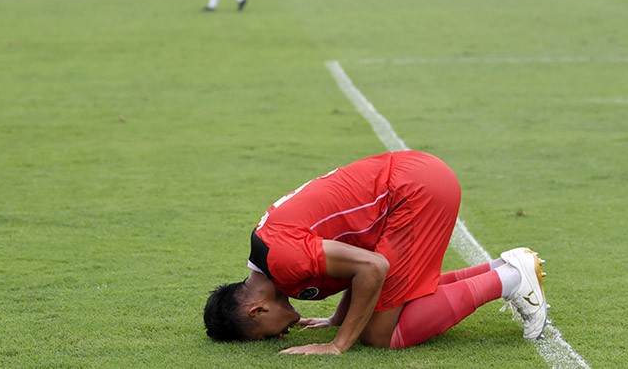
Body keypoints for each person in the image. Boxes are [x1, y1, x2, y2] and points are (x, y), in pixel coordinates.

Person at [204, 150, 549, 354]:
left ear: (256, 310)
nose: (279, 336)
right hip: (413, 183)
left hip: (413, 191)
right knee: (376, 316)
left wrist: (337, 343)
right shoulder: (273, 262)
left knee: (379, 334)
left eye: (269, 333)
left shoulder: (283, 259)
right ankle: (501, 268)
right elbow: (354, 258)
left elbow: (372, 266)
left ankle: (511, 278)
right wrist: (338, 318)